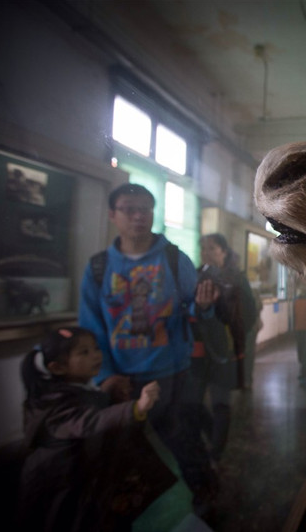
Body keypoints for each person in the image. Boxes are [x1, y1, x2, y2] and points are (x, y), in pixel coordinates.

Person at [77, 183, 219, 513]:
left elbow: (195, 309)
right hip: (123, 380)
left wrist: (206, 305)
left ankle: (206, 493)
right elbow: (92, 327)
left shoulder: (173, 259)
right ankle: (127, 509)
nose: (139, 216)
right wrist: (107, 376)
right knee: (124, 450)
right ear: (113, 215)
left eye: (146, 209)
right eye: (129, 209)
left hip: (172, 375)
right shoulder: (99, 268)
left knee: (183, 441)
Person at [16, 327, 172, 532]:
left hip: (80, 475)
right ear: (58, 368)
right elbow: (90, 422)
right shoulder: (54, 405)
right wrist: (136, 408)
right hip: (59, 482)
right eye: (84, 352)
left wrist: (109, 394)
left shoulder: (77, 387)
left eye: (96, 348)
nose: (96, 355)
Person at [192, 233, 258, 460]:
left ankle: (216, 451)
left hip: (224, 348)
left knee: (220, 401)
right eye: (203, 248)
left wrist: (230, 326)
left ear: (224, 251)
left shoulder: (237, 279)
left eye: (212, 248)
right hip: (198, 349)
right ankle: (212, 437)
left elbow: (249, 313)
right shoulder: (196, 276)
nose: (206, 252)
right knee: (192, 401)